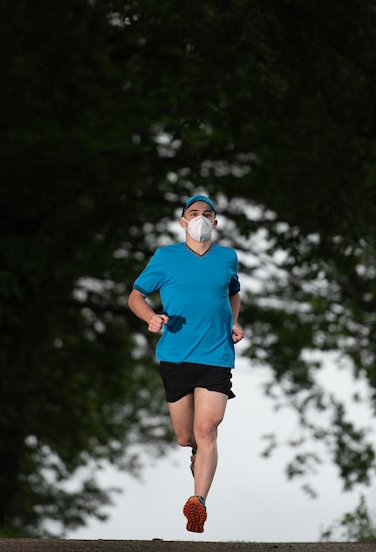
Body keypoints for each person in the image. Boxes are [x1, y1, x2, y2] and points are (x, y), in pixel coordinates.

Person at [127, 194, 244, 533]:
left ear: (216, 223)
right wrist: (150, 317)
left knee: (207, 428)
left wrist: (234, 322)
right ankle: (194, 452)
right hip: (176, 355)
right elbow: (136, 295)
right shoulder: (166, 257)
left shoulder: (227, 257)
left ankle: (199, 502)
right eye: (194, 213)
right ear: (182, 222)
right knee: (185, 435)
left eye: (208, 214)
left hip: (216, 355)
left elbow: (233, 292)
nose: (201, 218)